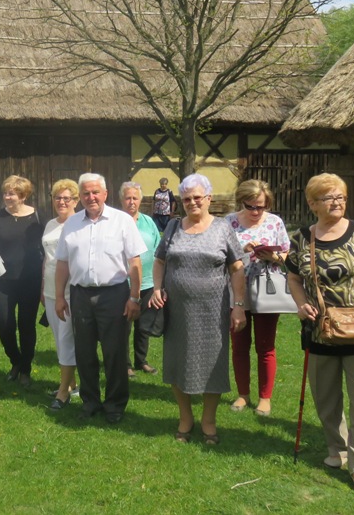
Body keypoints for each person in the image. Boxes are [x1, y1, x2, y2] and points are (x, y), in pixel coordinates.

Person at [285, 173, 354, 494]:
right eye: (329, 198)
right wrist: (302, 304)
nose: (337, 203)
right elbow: (292, 278)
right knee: (327, 399)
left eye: (341, 197)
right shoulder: (301, 239)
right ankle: (338, 449)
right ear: (312, 204)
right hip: (320, 331)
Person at [150, 174, 245, 444]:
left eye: (197, 197)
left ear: (208, 198)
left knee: (212, 362)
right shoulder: (172, 227)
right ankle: (185, 417)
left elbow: (237, 269)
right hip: (177, 310)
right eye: (186, 199)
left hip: (213, 310)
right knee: (177, 361)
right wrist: (157, 288)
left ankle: (209, 420)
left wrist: (238, 306)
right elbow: (159, 261)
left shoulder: (222, 228)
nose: (192, 202)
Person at [55, 173, 146, 423]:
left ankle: (115, 404)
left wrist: (135, 297)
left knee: (114, 352)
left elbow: (135, 261)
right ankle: (90, 401)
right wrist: (60, 297)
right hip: (80, 294)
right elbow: (62, 262)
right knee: (84, 352)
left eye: (95, 192)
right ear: (80, 196)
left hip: (114, 295)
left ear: (105, 194)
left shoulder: (122, 221)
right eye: (86, 193)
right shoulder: (72, 223)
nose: (91, 197)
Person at [224, 179, 291, 417]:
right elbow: (221, 255)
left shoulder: (275, 223)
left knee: (265, 346)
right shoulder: (229, 222)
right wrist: (245, 249)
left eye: (260, 206)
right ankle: (243, 394)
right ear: (241, 202)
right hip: (236, 292)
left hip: (267, 289)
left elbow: (286, 254)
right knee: (239, 346)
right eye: (250, 206)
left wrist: (272, 256)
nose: (255, 211)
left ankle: (265, 398)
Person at [0, 175, 44, 387]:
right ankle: (16, 361)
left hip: (30, 279)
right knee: (4, 325)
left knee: (26, 325)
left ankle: (25, 369)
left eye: (12, 193)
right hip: (3, 280)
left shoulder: (37, 217)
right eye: (5, 193)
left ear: (23, 195)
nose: (7, 197)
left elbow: (45, 248)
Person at [41, 178, 80, 411]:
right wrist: (42, 289)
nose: (62, 202)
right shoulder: (49, 224)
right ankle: (72, 384)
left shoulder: (79, 223)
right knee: (59, 340)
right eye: (58, 197)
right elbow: (47, 258)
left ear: (76, 200)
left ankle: (63, 392)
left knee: (67, 341)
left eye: (67, 198)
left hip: (69, 290)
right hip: (49, 291)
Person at [121, 181, 162, 377]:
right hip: (123, 284)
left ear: (141, 200)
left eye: (135, 198)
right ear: (122, 200)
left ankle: (141, 361)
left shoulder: (148, 222)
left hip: (147, 281)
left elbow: (157, 248)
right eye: (127, 198)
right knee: (124, 326)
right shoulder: (116, 221)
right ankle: (125, 364)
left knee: (144, 326)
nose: (131, 202)